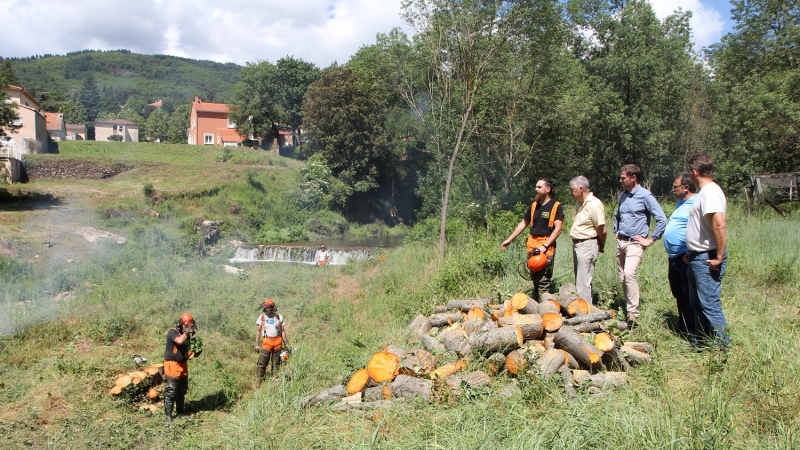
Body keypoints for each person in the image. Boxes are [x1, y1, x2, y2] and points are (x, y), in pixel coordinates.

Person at [684, 154, 730, 349]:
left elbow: (719, 225)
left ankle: (724, 347)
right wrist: (691, 252)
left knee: (709, 303)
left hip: (707, 257)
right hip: (697, 256)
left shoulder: (710, 192)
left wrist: (719, 257)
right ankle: (701, 342)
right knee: (697, 303)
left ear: (695, 172)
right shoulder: (704, 193)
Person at [613, 164, 667, 326]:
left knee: (629, 274)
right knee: (623, 277)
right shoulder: (623, 195)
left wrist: (651, 239)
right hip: (621, 241)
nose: (620, 180)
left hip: (635, 243)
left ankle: (633, 314)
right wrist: (616, 230)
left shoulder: (645, 196)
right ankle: (628, 307)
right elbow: (617, 215)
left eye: (623, 178)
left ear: (633, 177)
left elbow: (662, 219)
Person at [501, 178, 564, 300]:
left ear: (548, 189)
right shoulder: (534, 205)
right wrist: (510, 239)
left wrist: (544, 246)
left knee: (543, 281)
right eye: (536, 187)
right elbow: (524, 223)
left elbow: (558, 229)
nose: (536, 189)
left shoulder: (556, 206)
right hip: (532, 244)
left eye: (539, 187)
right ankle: (535, 307)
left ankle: (546, 309)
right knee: (534, 279)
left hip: (546, 245)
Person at [663, 173, 697, 334]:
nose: (672, 190)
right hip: (674, 257)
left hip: (686, 257)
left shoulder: (696, 203)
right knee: (678, 293)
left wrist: (691, 252)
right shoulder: (680, 203)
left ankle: (693, 329)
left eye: (675, 187)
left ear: (686, 187)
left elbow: (700, 230)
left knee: (688, 294)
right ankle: (683, 324)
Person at [568, 176, 607, 304]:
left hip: (587, 244)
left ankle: (586, 316)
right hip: (578, 245)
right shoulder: (580, 204)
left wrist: (600, 245)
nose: (571, 192)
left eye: (572, 189)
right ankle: (585, 309)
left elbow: (602, 228)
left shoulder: (593, 204)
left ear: (581, 188)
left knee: (582, 284)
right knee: (581, 280)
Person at [164, 312, 196, 424]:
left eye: (190, 325)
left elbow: (189, 350)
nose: (188, 328)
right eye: (186, 325)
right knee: (171, 391)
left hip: (183, 365)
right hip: (172, 365)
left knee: (181, 391)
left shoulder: (186, 335)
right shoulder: (173, 332)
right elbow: (179, 341)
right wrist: (187, 332)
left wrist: (196, 350)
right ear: (181, 324)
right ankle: (168, 415)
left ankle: (180, 411)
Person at [254, 299, 289, 385]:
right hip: (266, 342)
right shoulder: (261, 318)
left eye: (268, 308)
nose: (266, 310)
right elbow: (258, 331)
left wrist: (286, 343)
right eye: (265, 308)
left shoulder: (279, 317)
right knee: (262, 363)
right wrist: (256, 343)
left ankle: (274, 381)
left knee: (276, 364)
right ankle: (259, 381)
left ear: (273, 308)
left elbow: (283, 331)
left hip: (277, 342)